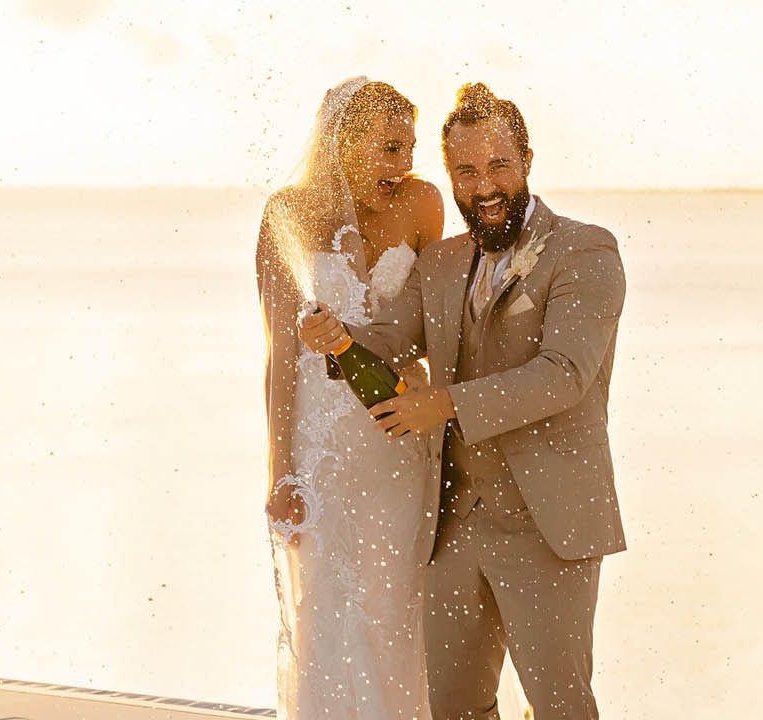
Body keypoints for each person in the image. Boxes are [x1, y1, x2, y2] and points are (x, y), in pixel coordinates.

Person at [299, 83, 628, 720]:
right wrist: (338, 338)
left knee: (561, 707)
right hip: (452, 524)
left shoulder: (586, 249)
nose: (484, 186)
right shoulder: (442, 261)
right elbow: (389, 338)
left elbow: (564, 375)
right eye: (466, 171)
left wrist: (443, 404)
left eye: (499, 165)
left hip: (547, 523)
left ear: (527, 160)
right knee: (454, 709)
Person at [254, 76, 445, 719]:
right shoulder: (288, 214)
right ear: (344, 142)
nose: (404, 162)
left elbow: (435, 326)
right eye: (389, 147)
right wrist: (282, 472)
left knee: (395, 609)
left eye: (410, 147)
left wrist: (431, 388)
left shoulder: (422, 204)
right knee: (326, 614)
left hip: (397, 440)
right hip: (322, 449)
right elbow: (282, 355)